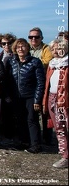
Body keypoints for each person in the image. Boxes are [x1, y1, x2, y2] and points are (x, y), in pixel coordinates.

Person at [7, 38, 45, 154]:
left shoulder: (35, 62)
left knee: (31, 120)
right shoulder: (11, 61)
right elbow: (8, 80)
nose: (20, 49)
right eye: (18, 47)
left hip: (30, 96)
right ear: (15, 49)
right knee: (20, 120)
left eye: (23, 46)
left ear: (28, 48)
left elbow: (40, 82)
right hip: (16, 97)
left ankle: (35, 144)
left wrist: (37, 99)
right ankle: (23, 142)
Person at [42, 38, 68, 168]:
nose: (55, 51)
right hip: (52, 98)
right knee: (59, 128)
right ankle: (65, 156)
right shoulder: (52, 65)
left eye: (58, 48)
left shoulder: (67, 64)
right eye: (53, 49)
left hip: (65, 99)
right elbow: (48, 84)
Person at [28, 27, 54, 145]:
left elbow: (45, 62)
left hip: (44, 84)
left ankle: (48, 138)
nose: (34, 39)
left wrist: (30, 64)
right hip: (30, 84)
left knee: (45, 112)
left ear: (41, 38)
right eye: (31, 37)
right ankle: (35, 137)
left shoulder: (47, 49)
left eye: (36, 37)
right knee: (31, 113)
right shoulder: (28, 49)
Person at [0, 32, 17, 144]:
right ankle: (4, 135)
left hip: (13, 88)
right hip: (0, 88)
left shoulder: (16, 56)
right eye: (4, 43)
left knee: (12, 113)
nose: (6, 45)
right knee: (2, 113)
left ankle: (12, 136)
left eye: (9, 43)